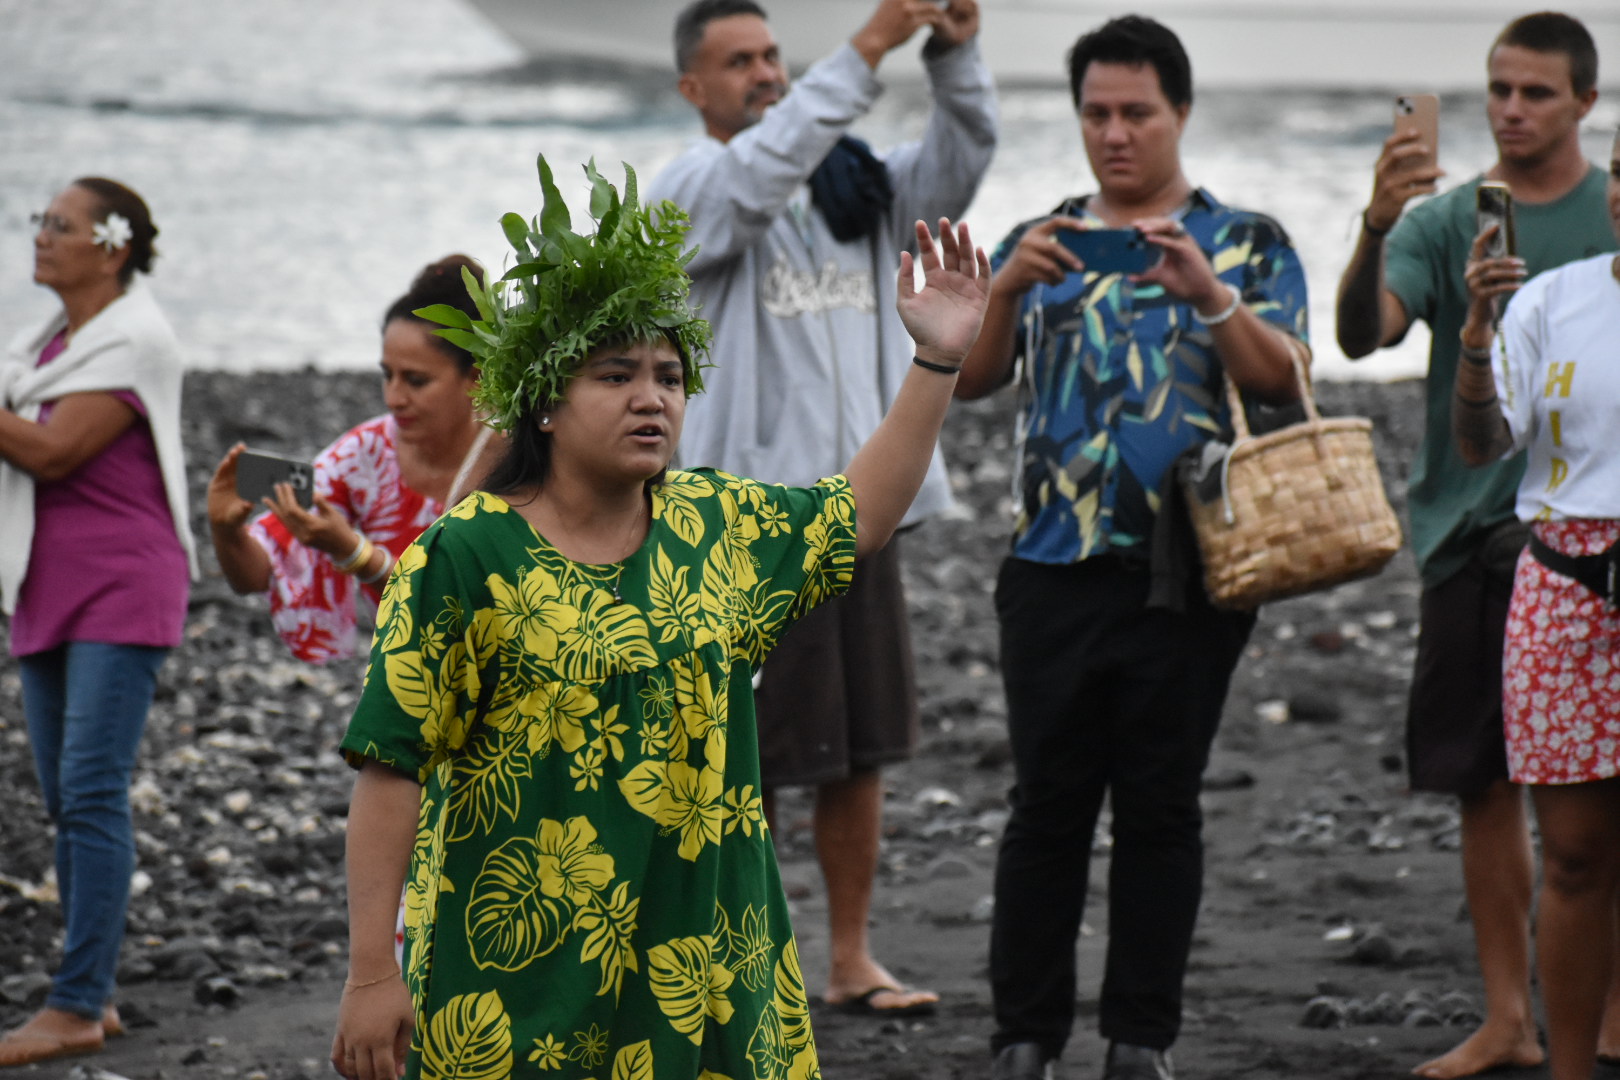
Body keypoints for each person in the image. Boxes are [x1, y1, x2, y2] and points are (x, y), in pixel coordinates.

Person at [327, 157, 989, 1080]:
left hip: (708, 971)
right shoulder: (465, 557)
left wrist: (937, 357)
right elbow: (390, 765)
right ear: (547, 401)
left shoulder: (715, 527)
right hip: (519, 988)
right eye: (616, 374)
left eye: (670, 375)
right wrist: (370, 975)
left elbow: (861, 513)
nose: (652, 397)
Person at [955, 16, 1309, 1080]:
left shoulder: (1246, 241)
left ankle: (1139, 1042)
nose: (1114, 134)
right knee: (1045, 810)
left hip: (1192, 569)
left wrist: (1208, 292)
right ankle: (1025, 1037)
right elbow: (970, 383)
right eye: (1096, 113)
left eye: (1136, 113)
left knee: (1161, 808)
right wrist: (1007, 287)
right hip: (1051, 563)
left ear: (1181, 113)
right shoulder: (1044, 235)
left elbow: (1284, 381)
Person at [645, 0, 996, 1017]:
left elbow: (961, 159)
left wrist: (954, 50)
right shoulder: (694, 190)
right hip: (740, 529)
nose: (766, 73)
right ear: (691, 90)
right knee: (732, 757)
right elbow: (759, 175)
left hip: (857, 515)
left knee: (862, 746)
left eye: (772, 55)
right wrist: (871, 45)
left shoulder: (855, 186)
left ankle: (848, 960)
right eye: (739, 61)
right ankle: (722, 961)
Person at [1333, 13, 1617, 1078]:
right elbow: (1362, 335)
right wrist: (1373, 223)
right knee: (1480, 779)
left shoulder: (1613, 211)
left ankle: (1601, 1007)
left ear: (1586, 103)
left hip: (1588, 545)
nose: (1510, 108)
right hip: (1467, 534)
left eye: (1537, 92)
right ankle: (1508, 1015)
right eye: (1498, 88)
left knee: (1602, 798)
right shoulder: (1448, 219)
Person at [0, 178, 196, 1067]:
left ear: (111, 248)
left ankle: (77, 1002)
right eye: (41, 222)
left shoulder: (136, 340)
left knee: (89, 794)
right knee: (63, 800)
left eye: (61, 225)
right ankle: (93, 995)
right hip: (52, 583)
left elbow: (49, 450)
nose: (42, 236)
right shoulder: (50, 341)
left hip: (121, 587)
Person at [1450, 125, 1620, 1080]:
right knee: (1577, 856)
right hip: (1564, 587)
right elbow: (1481, 443)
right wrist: (1477, 334)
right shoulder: (1555, 298)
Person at [208, 256, 496, 664]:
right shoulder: (367, 456)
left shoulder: (520, 457)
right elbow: (255, 574)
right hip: (413, 682)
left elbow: (467, 609)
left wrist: (354, 552)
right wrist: (226, 530)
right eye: (387, 375)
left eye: (416, 380)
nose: (394, 397)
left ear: (476, 376)